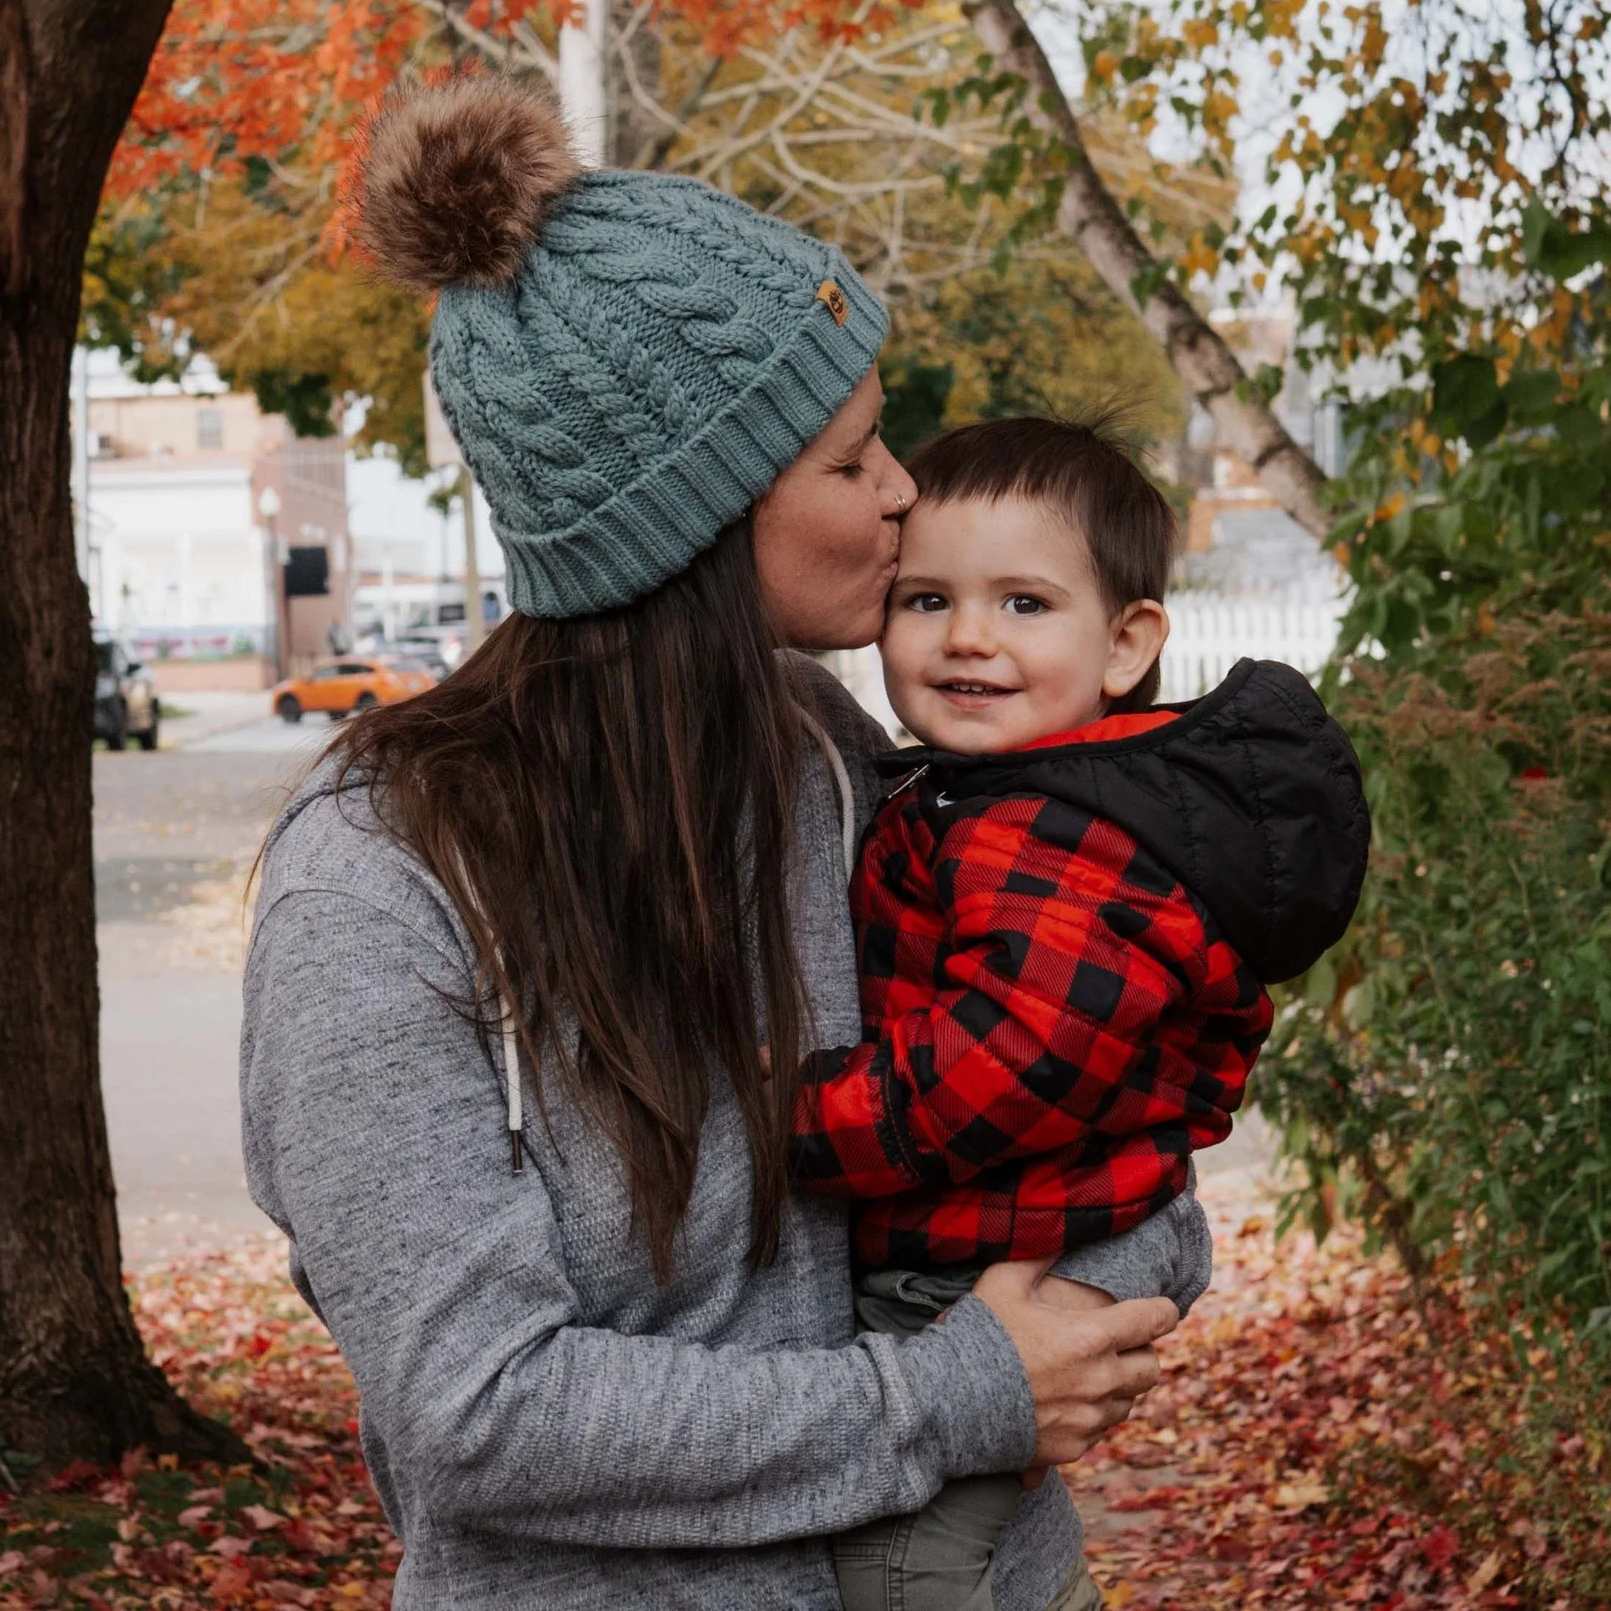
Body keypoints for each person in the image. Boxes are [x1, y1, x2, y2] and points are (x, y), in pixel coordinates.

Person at [241, 78, 1191, 1611]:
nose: (901, 494)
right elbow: (480, 1407)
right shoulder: (380, 876)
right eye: (848, 460)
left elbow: (1108, 1109)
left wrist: (1096, 1288)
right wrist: (947, 1398)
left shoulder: (847, 762)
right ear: (686, 519)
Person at [790, 416, 1372, 1611]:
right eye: (926, 600)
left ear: (1127, 644)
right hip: (981, 1246)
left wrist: (786, 1116)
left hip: (964, 1270)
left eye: (1023, 606)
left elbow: (1008, 1064)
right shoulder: (990, 793)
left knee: (903, 1568)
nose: (965, 638)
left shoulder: (1051, 833)